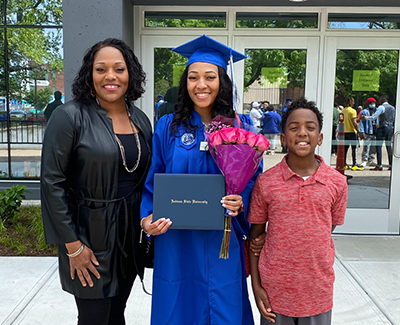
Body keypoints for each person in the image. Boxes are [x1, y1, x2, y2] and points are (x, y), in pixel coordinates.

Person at [140, 34, 264, 325]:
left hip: (221, 234)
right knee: (177, 302)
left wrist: (241, 200)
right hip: (176, 237)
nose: (201, 84)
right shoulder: (168, 126)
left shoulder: (241, 125)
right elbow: (153, 179)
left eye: (210, 76)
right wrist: (147, 218)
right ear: (186, 82)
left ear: (222, 81)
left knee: (224, 301)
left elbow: (254, 180)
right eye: (193, 77)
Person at [40, 38, 152, 325]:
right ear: (90, 74)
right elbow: (53, 183)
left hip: (128, 238)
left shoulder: (139, 119)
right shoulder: (70, 116)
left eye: (119, 69)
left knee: (117, 315)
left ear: (131, 74)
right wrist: (72, 246)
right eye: (101, 69)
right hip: (89, 237)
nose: (111, 76)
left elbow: (147, 179)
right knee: (94, 318)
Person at [248, 98, 348, 325]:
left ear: (320, 138)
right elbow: (255, 238)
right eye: (294, 128)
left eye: (310, 127)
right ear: (283, 139)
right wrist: (256, 286)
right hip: (275, 292)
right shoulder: (266, 182)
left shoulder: (337, 183)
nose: (302, 133)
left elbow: (326, 227)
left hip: (317, 291)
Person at [361, 95, 395, 171]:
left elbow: (373, 117)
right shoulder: (393, 108)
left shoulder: (381, 107)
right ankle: (391, 164)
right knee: (389, 147)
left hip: (382, 127)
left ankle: (379, 165)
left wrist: (365, 117)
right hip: (390, 128)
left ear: (383, 99)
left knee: (378, 146)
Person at [342, 96, 364, 171]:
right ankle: (354, 164)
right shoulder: (353, 111)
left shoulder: (343, 110)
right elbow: (354, 122)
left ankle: (344, 163)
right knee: (354, 148)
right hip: (352, 131)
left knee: (345, 148)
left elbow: (349, 119)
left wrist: (359, 118)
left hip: (345, 131)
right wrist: (359, 132)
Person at [359, 97, 377, 167]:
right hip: (367, 131)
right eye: (371, 103)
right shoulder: (364, 112)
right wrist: (362, 131)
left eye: (373, 103)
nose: (372, 104)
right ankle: (364, 160)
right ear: (368, 104)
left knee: (373, 148)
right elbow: (361, 122)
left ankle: (371, 159)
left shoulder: (377, 111)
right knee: (366, 147)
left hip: (375, 132)